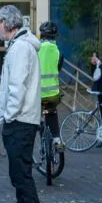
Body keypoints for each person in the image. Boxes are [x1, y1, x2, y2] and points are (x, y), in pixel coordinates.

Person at [0, 5, 48, 203]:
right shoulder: (21, 46)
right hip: (22, 119)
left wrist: (8, 115)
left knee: (21, 176)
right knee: (19, 175)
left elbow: (17, 87)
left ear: (6, 24)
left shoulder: (20, 48)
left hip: (20, 121)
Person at [37, 22, 65, 150]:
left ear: (41, 35)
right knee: (52, 113)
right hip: (53, 94)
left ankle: (42, 143)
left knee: (36, 117)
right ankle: (57, 141)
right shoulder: (59, 52)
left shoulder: (35, 50)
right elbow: (57, 69)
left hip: (37, 95)